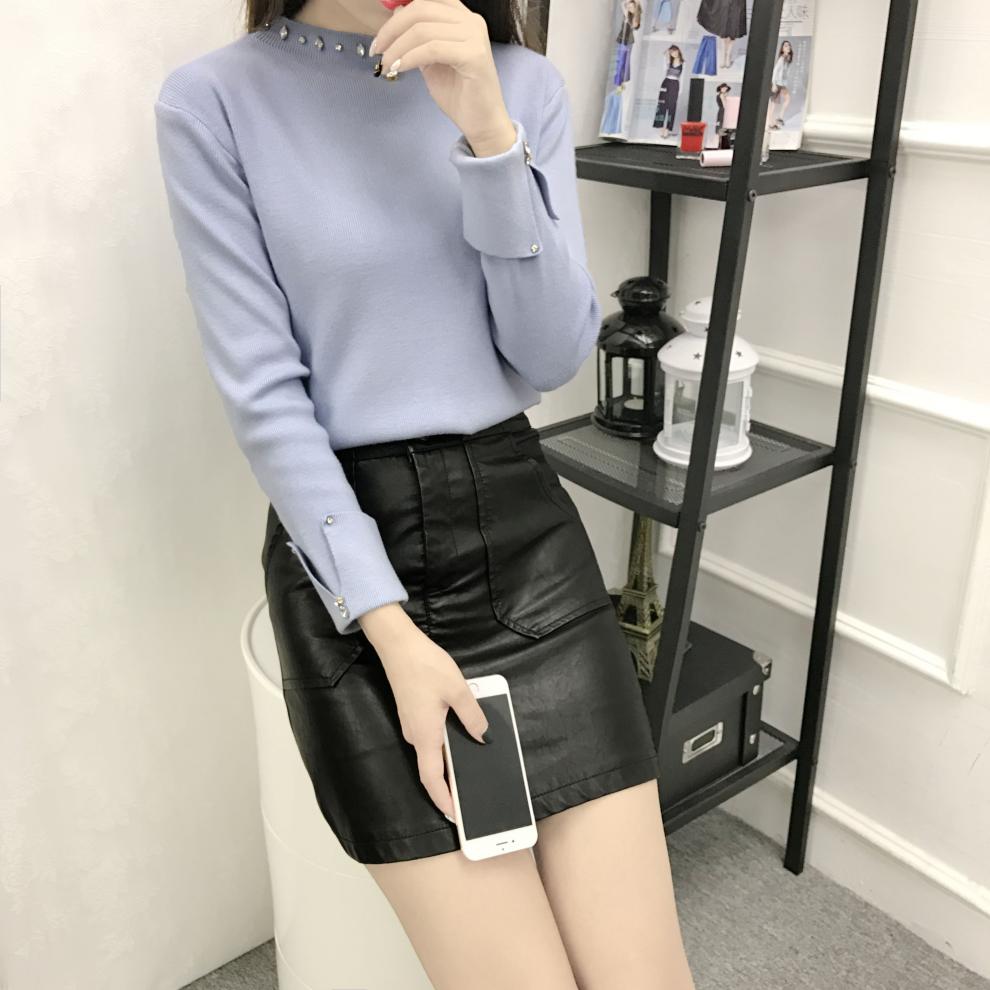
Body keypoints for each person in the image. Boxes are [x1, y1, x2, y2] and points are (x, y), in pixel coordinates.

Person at [153, 1, 696, 988]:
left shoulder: (518, 83)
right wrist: (392, 635)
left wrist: (489, 134)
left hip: (527, 544)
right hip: (362, 576)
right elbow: (265, 397)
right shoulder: (214, 102)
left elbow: (549, 356)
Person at [770, 39, 795, 128]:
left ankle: (779, 117)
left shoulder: (787, 58)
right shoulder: (781, 59)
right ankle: (770, 123)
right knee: (773, 104)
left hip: (782, 84)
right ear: (782, 49)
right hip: (777, 83)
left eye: (789, 45)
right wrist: (773, 84)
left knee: (787, 99)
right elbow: (775, 71)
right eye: (785, 46)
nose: (788, 47)